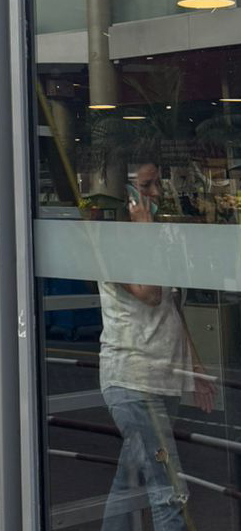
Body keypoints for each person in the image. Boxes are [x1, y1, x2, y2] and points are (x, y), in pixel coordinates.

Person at [99, 162, 215, 530]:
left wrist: (193, 366)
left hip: (162, 378)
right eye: (145, 186)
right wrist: (145, 233)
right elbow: (148, 293)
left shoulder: (154, 241)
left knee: (128, 482)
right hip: (133, 382)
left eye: (157, 185)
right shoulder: (110, 244)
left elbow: (171, 309)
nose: (155, 194)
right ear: (126, 194)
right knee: (169, 492)